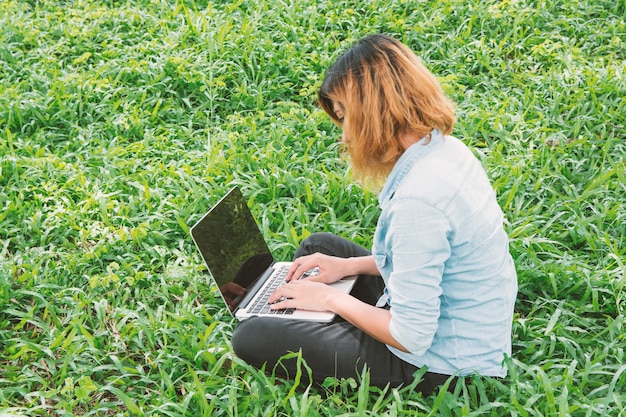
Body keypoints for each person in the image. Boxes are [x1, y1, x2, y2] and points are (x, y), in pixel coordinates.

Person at [231, 34, 518, 394]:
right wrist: (349, 267)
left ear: (373, 114)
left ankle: (323, 314)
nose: (345, 136)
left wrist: (332, 299)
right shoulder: (446, 149)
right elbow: (431, 260)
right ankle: (320, 310)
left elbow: (411, 336)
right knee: (320, 249)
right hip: (463, 320)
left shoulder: (420, 201)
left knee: (251, 336)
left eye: (345, 117)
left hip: (442, 363)